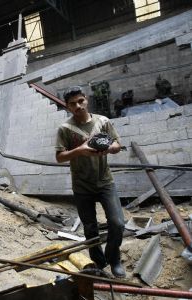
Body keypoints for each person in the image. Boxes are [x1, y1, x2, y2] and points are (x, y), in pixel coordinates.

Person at [55, 86, 126, 278]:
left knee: (118, 223)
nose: (78, 106)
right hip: (82, 186)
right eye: (73, 104)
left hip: (105, 182)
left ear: (86, 100)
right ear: (67, 107)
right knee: (90, 228)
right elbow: (60, 157)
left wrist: (110, 148)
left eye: (80, 101)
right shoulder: (65, 129)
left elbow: (118, 144)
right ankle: (99, 262)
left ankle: (114, 258)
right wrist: (80, 150)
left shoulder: (103, 121)